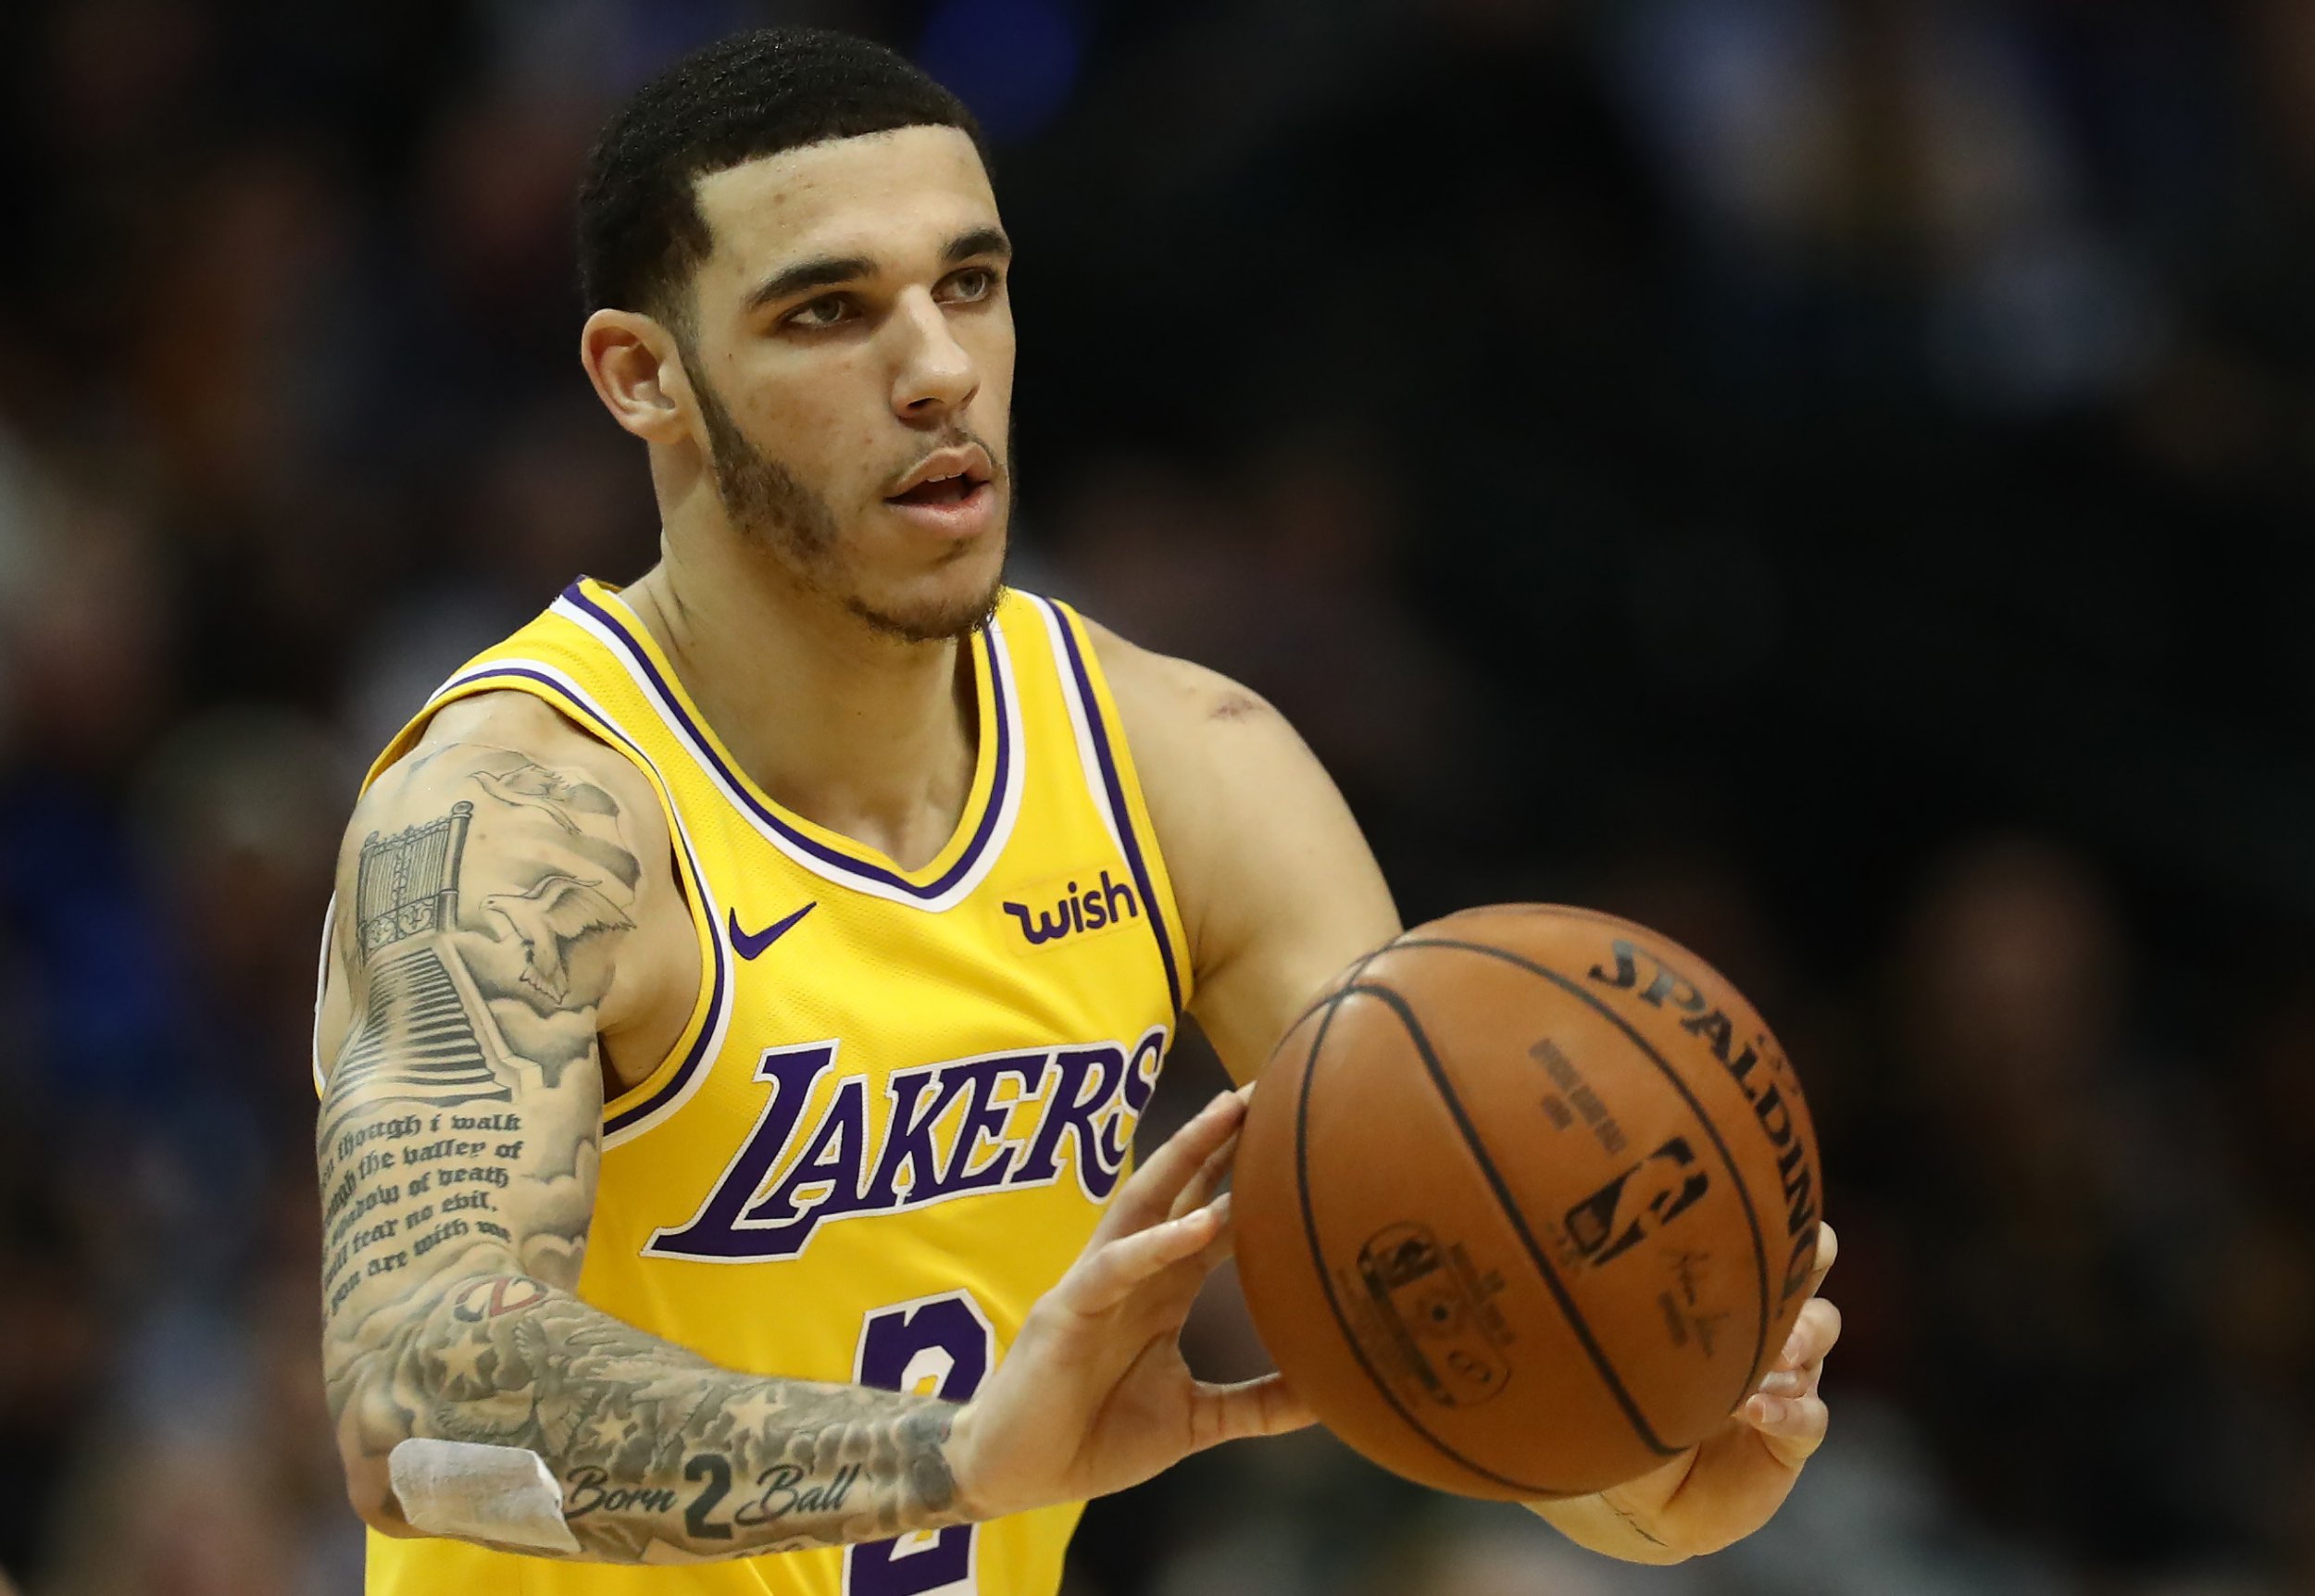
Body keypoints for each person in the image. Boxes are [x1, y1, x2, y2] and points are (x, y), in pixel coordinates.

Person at [311, 26, 1842, 1594]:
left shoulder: (1188, 767)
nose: (939, 370)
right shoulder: (517, 817)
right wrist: (953, 1459)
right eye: (829, 311)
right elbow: (412, 1402)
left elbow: (1477, 1276)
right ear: (646, 377)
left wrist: (1665, 1474)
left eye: (969, 284)